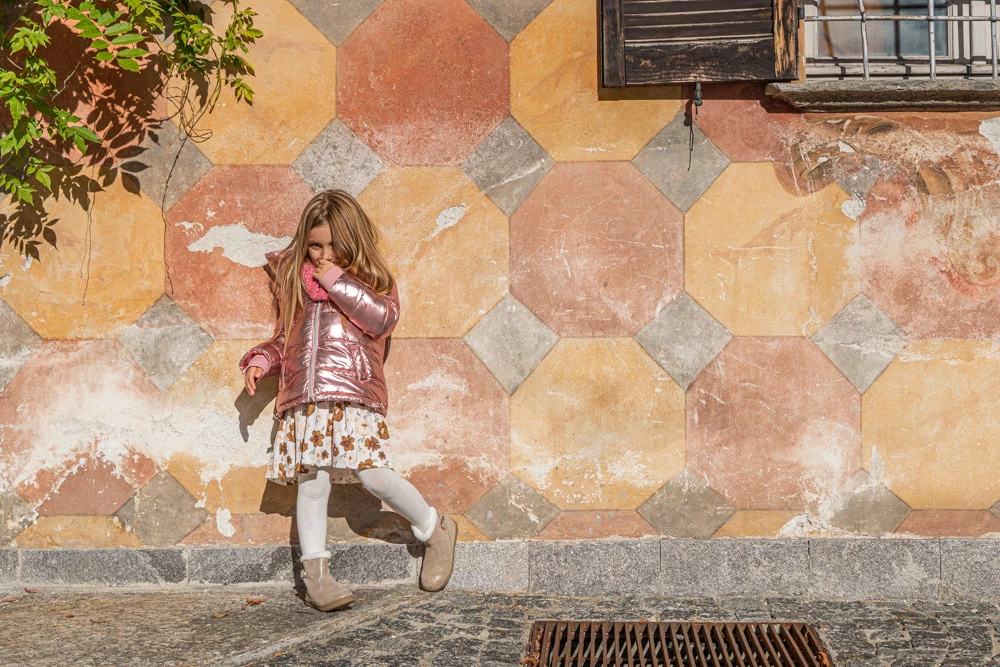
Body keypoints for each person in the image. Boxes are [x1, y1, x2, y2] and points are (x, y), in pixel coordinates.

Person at [238, 189, 457, 611]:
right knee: (312, 483)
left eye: (332, 245)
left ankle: (434, 527)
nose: (322, 254)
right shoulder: (294, 283)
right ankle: (316, 574)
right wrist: (263, 359)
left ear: (351, 241)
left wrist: (336, 280)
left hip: (354, 396)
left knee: (374, 477)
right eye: (314, 245)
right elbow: (286, 338)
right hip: (305, 399)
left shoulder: (371, 278)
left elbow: (382, 320)